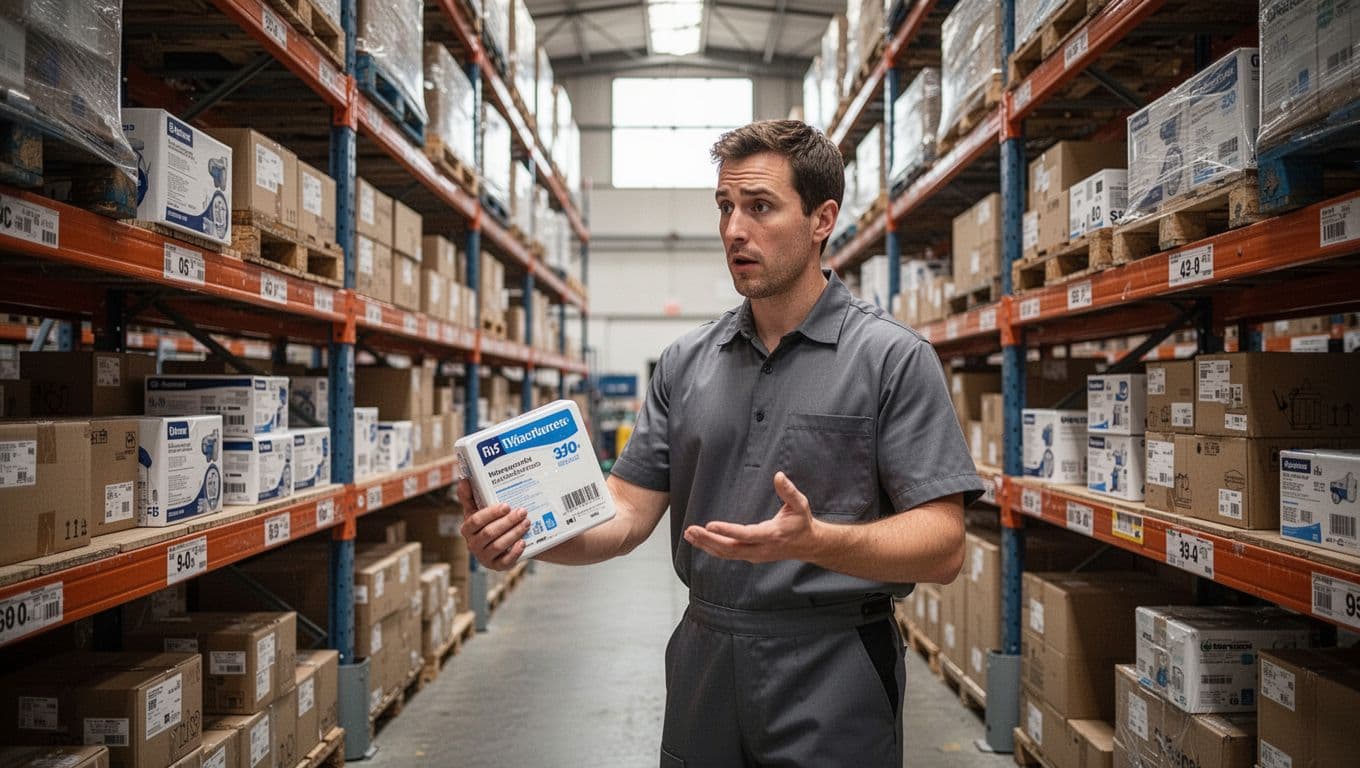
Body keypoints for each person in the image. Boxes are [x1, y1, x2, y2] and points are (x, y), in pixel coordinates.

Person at [458, 119, 984, 767]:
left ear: (822, 220)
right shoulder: (685, 363)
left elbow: (943, 546)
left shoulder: (891, 359)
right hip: (706, 655)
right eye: (725, 207)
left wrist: (822, 542)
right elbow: (622, 515)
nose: (735, 229)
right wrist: (525, 537)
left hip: (834, 662)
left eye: (760, 207)